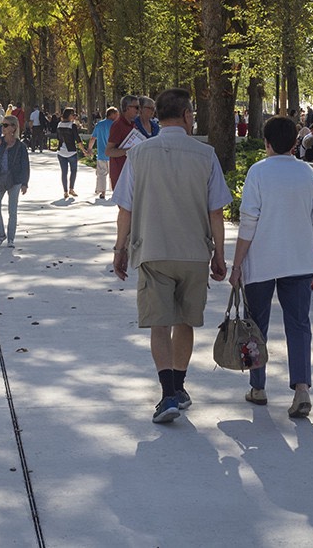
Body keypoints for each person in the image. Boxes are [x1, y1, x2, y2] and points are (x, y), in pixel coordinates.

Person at [112, 88, 231, 425]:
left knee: (159, 323)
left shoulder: (139, 154)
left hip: (153, 249)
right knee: (186, 320)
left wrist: (120, 248)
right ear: (186, 115)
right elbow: (216, 212)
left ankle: (167, 394)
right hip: (194, 252)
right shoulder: (205, 155)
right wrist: (219, 255)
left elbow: (125, 209)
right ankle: (179, 386)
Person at [229, 115, 313, 417]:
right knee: (299, 325)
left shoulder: (258, 172)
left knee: (256, 324)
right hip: (298, 259)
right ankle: (302, 389)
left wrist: (237, 265)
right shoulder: (307, 174)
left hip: (261, 260)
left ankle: (258, 386)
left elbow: (248, 222)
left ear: (266, 142)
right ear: (295, 143)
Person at [0, 114, 29, 245]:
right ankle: (1, 234)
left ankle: (11, 238)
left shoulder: (20, 146)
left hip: (14, 180)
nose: (2, 128)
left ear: (13, 128)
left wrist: (25, 183)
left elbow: (25, 165)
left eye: (5, 125)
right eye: (2, 125)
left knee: (12, 210)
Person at [105, 95, 142, 190]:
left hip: (132, 172)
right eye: (136, 107)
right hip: (120, 174)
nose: (138, 110)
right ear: (127, 108)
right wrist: (129, 150)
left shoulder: (133, 124)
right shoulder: (118, 125)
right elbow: (109, 151)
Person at [88, 106, 118, 201]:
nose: (118, 115)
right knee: (114, 174)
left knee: (101, 174)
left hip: (101, 153)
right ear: (112, 114)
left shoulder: (99, 124)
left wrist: (89, 148)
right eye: (116, 113)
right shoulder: (115, 125)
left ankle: (102, 192)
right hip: (113, 154)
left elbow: (93, 138)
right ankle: (115, 191)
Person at [55, 106, 82, 198]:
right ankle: (71, 189)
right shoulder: (72, 125)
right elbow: (77, 140)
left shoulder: (59, 124)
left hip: (61, 151)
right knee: (73, 171)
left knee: (64, 172)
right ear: (69, 115)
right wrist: (84, 150)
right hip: (71, 152)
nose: (74, 116)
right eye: (73, 114)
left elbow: (58, 137)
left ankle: (65, 191)